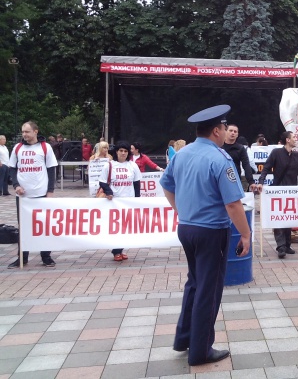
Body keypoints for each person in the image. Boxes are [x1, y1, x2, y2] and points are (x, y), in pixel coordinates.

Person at [160, 105, 251, 366]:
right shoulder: (219, 159)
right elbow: (233, 204)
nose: (225, 133)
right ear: (216, 130)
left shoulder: (181, 154)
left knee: (195, 283)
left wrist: (181, 211)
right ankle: (201, 350)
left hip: (187, 228)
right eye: (224, 128)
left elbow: (166, 185)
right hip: (212, 232)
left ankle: (184, 338)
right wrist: (245, 235)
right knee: (208, 291)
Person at [256, 131, 298, 258]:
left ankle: (287, 245)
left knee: (290, 217)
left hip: (292, 191)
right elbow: (266, 168)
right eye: (294, 137)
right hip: (278, 190)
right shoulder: (276, 153)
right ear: (287, 140)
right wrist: (261, 182)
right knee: (279, 218)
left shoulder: (297, 155)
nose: (296, 139)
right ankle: (280, 246)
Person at [7, 121, 58, 268]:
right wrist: (16, 185)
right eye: (23, 131)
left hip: (41, 193)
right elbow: (12, 169)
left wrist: (50, 191)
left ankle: (46, 256)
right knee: (23, 226)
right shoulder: (17, 148)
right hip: (23, 196)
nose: (24, 134)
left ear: (36, 131)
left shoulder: (45, 147)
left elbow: (51, 169)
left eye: (27, 131)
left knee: (44, 226)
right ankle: (22, 257)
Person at [98, 140, 141, 261]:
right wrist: (108, 192)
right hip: (115, 202)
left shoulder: (133, 165)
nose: (123, 153)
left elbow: (137, 184)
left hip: (129, 201)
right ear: (116, 152)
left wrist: (137, 200)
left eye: (126, 151)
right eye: (121, 151)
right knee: (117, 227)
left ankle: (120, 249)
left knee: (127, 227)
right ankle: (116, 251)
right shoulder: (109, 165)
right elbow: (102, 181)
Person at [222, 125, 255, 191]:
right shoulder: (218, 147)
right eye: (231, 131)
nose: (233, 133)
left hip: (235, 181)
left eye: (235, 131)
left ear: (237, 135)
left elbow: (246, 165)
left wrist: (251, 182)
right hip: (219, 180)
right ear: (225, 132)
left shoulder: (240, 148)